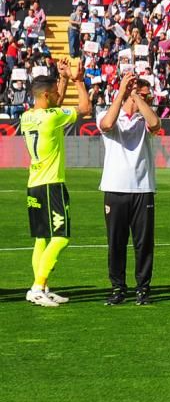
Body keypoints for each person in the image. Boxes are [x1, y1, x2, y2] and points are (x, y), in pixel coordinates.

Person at [22, 61, 93, 307]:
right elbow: (85, 108)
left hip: (34, 183)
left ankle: (40, 288)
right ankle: (38, 286)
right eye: (53, 93)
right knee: (61, 238)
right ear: (44, 95)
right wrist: (77, 79)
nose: (57, 96)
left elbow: (55, 106)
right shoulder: (51, 118)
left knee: (42, 239)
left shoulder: (28, 116)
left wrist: (60, 79)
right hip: (52, 184)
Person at [98, 73, 160, 306]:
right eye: (145, 95)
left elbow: (155, 124)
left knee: (144, 242)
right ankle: (118, 287)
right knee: (116, 241)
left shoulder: (145, 119)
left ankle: (143, 288)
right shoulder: (107, 113)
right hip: (115, 188)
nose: (148, 99)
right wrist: (123, 93)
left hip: (143, 188)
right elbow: (106, 124)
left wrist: (136, 96)